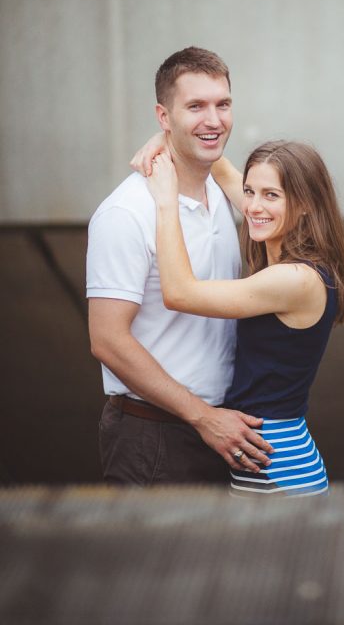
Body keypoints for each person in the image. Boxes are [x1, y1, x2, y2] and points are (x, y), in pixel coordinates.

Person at [86, 46, 272, 485]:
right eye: (195, 106)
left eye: (222, 104)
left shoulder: (227, 197)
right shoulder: (126, 213)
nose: (214, 120)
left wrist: (213, 421)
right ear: (163, 116)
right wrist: (204, 417)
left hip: (222, 429)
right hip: (153, 435)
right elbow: (107, 340)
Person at [145, 139, 344, 495]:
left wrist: (167, 202)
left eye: (271, 195)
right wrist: (170, 135)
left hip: (279, 468)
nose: (254, 206)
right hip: (273, 458)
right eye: (249, 192)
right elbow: (221, 167)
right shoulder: (295, 265)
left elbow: (179, 292)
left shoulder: (295, 279)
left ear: (305, 204)